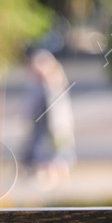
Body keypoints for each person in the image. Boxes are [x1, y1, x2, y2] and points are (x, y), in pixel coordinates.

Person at [21, 48, 76, 181]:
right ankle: (49, 174)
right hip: (44, 124)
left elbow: (56, 108)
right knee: (45, 150)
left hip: (54, 124)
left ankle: (56, 176)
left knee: (55, 150)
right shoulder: (39, 84)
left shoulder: (53, 82)